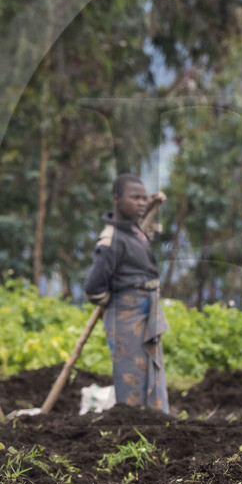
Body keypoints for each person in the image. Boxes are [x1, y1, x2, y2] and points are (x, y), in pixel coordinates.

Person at [84, 175, 170, 412]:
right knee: (131, 373)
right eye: (135, 198)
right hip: (125, 315)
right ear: (116, 199)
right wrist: (117, 302)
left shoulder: (134, 231)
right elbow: (93, 286)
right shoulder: (111, 240)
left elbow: (146, 214)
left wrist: (152, 202)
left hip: (146, 309)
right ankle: (134, 427)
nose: (141, 203)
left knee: (150, 370)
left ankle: (154, 421)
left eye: (144, 198)